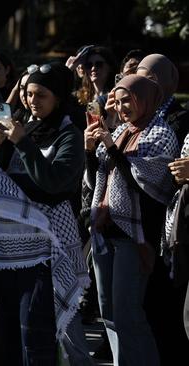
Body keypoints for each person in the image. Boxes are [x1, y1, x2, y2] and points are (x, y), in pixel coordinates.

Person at [0, 62, 89, 365]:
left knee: (36, 328)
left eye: (41, 95)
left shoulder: (69, 135)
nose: (32, 101)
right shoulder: (24, 126)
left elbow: (54, 182)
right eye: (29, 95)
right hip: (10, 242)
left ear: (58, 97)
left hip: (47, 246)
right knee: (8, 325)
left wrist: (22, 143)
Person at [85, 74, 179, 366]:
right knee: (109, 314)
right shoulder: (122, 129)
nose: (123, 107)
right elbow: (96, 176)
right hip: (105, 228)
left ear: (146, 100)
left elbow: (148, 185)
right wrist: (91, 150)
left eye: (130, 100)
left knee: (128, 314)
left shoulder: (160, 133)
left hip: (135, 234)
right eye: (120, 100)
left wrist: (111, 148)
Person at [135, 53, 189, 365]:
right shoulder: (138, 117)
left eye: (151, 77)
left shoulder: (179, 120)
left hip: (170, 223)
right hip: (151, 224)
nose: (143, 82)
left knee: (170, 308)